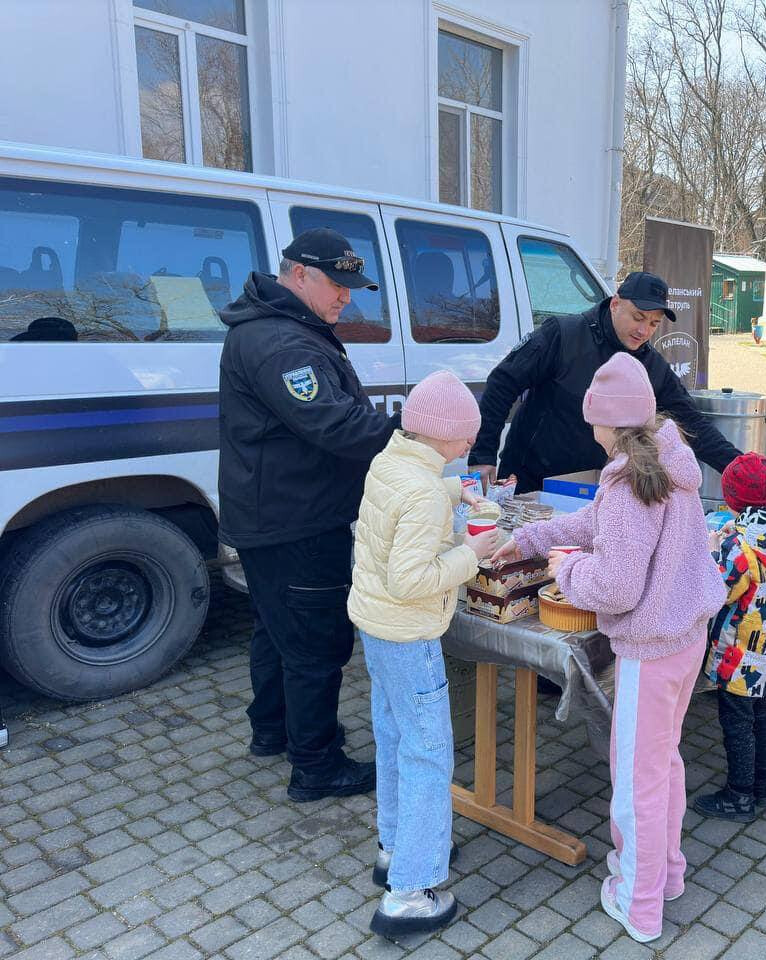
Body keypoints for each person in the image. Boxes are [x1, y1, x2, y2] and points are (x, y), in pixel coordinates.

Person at [490, 353, 725, 944]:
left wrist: (567, 572)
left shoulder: (629, 482)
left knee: (636, 777)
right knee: (662, 763)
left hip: (650, 646)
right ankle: (666, 874)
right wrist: (530, 538)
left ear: (602, 421)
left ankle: (638, 903)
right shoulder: (664, 460)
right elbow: (593, 524)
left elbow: (616, 586)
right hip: (685, 635)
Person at [218, 228, 397, 801]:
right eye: (336, 286)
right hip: (297, 520)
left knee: (277, 631)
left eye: (352, 287)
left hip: (275, 513)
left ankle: (273, 730)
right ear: (298, 274)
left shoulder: (282, 327)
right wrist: (411, 428)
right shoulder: (282, 343)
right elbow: (333, 423)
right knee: (315, 644)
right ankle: (317, 766)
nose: (346, 297)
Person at [345, 370, 499, 939]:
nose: (470, 443)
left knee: (394, 739)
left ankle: (395, 848)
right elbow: (411, 579)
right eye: (465, 435)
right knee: (430, 754)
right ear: (442, 433)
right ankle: (411, 891)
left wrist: (456, 492)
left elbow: (407, 504)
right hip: (410, 635)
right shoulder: (423, 492)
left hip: (377, 628)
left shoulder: (392, 462)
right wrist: (472, 553)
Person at [470, 271, 741, 493]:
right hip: (529, 478)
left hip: (593, 486)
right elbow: (502, 384)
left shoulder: (651, 366)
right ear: (615, 304)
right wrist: (483, 455)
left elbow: (692, 423)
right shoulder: (563, 335)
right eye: (638, 317)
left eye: (653, 324)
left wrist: (742, 470)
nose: (643, 330)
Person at [694, 452, 766, 822]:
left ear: (731, 500)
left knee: (737, 721)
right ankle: (761, 784)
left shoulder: (738, 548)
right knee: (763, 713)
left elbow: (719, 591)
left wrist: (714, 549)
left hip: (741, 651)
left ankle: (739, 795)